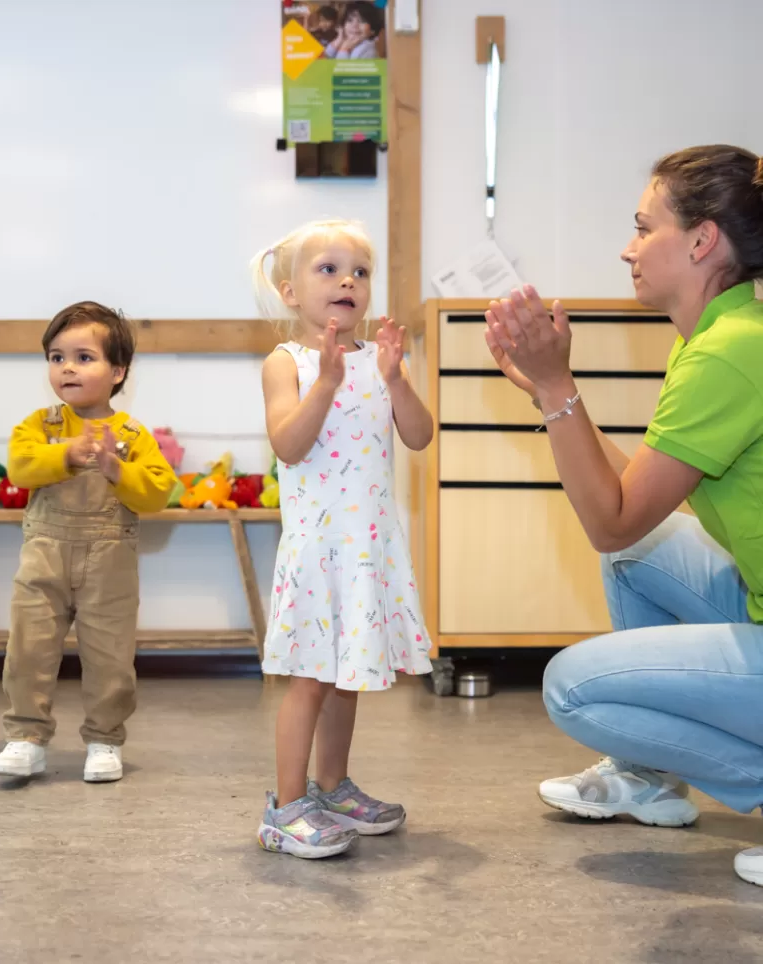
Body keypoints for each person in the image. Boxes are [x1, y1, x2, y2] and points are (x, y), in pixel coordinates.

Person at [483, 144, 763, 887]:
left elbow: (609, 517)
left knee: (571, 688)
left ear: (702, 240)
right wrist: (544, 393)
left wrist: (556, 387)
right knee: (635, 555)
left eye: (645, 228)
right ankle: (651, 780)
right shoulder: (721, 334)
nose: (627, 247)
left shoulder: (727, 354)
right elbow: (633, 506)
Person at [251, 218, 433, 858]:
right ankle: (285, 806)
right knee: (309, 678)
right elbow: (289, 445)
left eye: (358, 272)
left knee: (345, 675)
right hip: (316, 549)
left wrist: (394, 378)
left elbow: (418, 435)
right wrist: (324, 382)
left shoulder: (376, 360)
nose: (347, 282)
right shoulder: (288, 363)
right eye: (327, 269)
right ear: (289, 291)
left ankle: (331, 787)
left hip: (367, 547)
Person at [0, 302, 177, 783]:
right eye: (56, 357)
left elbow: (158, 492)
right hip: (43, 560)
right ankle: (26, 737)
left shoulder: (134, 436)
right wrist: (65, 454)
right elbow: (20, 467)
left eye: (83, 357)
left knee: (110, 657)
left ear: (118, 372)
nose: (67, 368)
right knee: (28, 649)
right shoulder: (39, 426)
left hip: (109, 564)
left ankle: (103, 739)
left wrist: (120, 470)